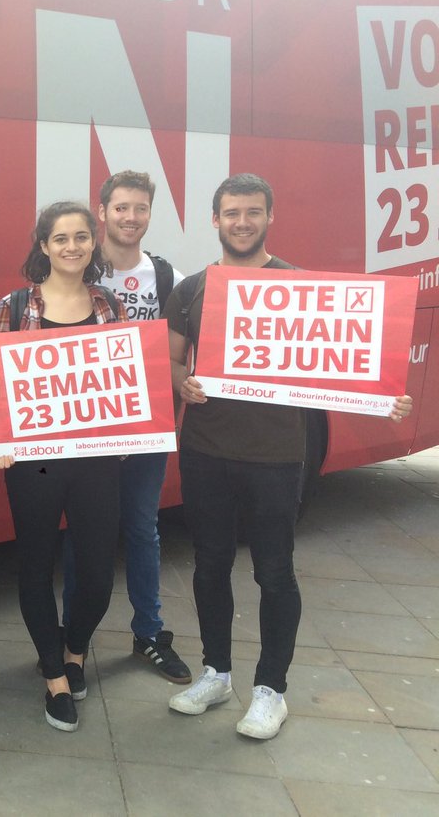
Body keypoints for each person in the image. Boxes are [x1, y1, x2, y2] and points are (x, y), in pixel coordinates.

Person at [167, 173, 412, 739]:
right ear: (215, 219)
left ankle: (271, 690)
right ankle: (216, 672)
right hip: (205, 450)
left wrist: (385, 399)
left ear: (269, 217)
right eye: (232, 213)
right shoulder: (194, 289)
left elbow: (345, 364)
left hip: (277, 457)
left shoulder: (302, 288)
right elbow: (172, 362)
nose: (242, 222)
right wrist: (184, 382)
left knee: (275, 572)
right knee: (209, 565)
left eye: (253, 212)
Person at [0, 201, 123, 734]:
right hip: (36, 465)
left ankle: (75, 645)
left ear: (93, 243)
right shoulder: (14, 306)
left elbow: (126, 381)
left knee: (96, 573)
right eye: (60, 238)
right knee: (37, 564)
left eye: (81, 237)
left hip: (95, 461)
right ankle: (54, 674)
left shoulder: (109, 304)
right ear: (43, 245)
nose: (71, 247)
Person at [61, 170, 190, 684]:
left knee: (141, 528)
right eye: (120, 208)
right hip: (86, 429)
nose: (130, 217)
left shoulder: (167, 278)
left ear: (149, 214)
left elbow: (179, 354)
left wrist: (187, 389)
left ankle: (149, 633)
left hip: (144, 426)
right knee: (81, 532)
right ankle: (74, 639)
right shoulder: (76, 270)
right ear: (103, 212)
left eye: (139, 208)